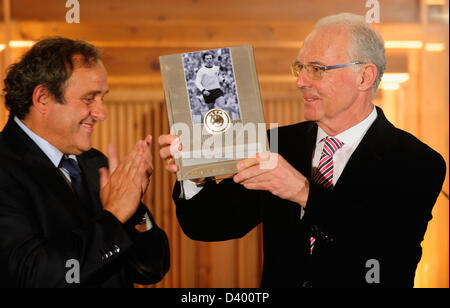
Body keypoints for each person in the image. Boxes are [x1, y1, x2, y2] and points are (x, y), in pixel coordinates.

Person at [159, 13, 446, 288]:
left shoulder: (417, 161)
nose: (300, 82)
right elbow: (208, 224)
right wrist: (193, 174)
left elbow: (384, 246)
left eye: (317, 69)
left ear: (364, 77)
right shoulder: (277, 144)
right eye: (300, 68)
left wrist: (303, 192)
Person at [0, 37, 170, 287]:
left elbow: (151, 268)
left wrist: (134, 211)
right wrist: (114, 216)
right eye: (89, 98)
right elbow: (33, 275)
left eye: (102, 98)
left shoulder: (94, 163)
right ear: (43, 98)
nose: (102, 113)